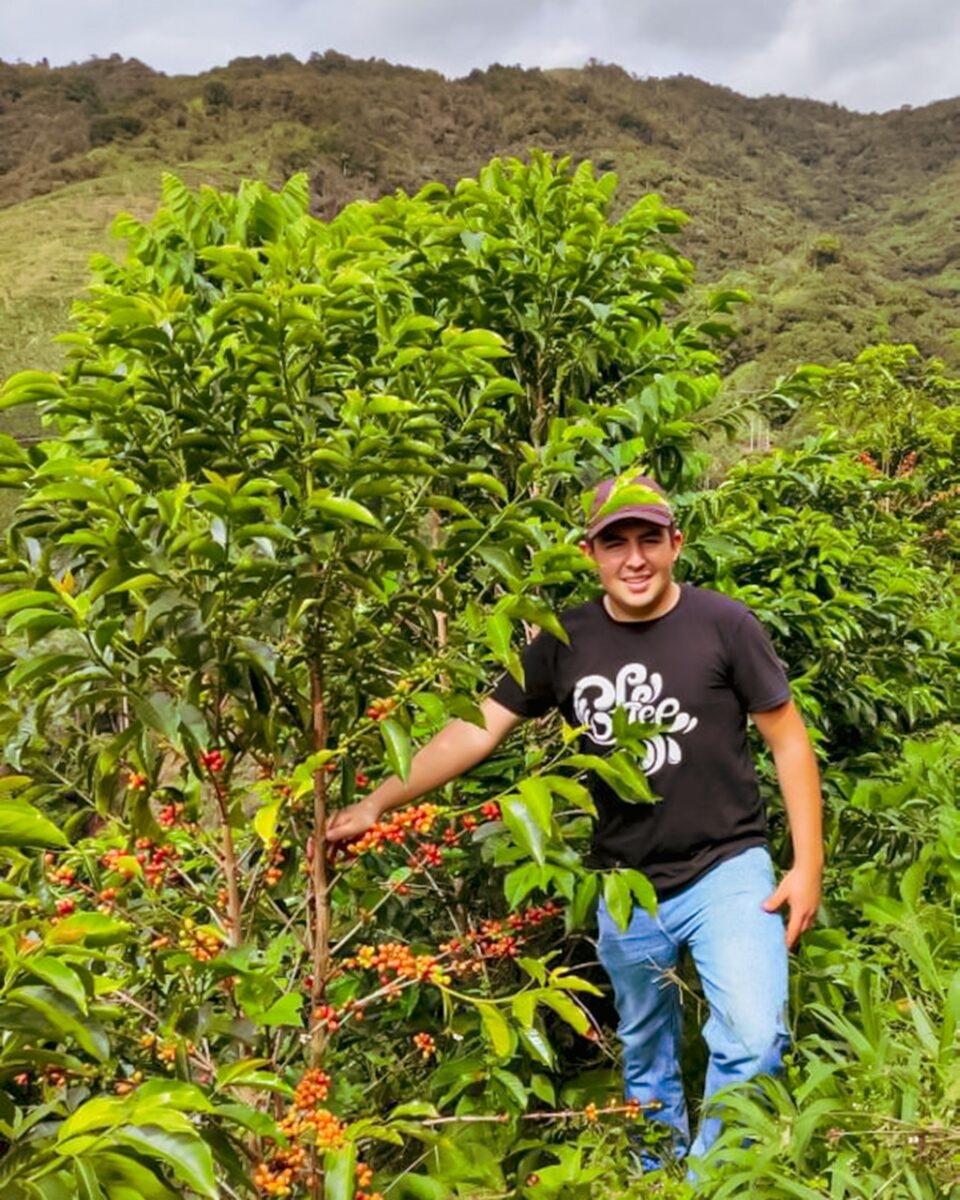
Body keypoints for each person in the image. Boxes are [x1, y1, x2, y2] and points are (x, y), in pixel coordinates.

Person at [326, 473, 823, 1167]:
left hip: (727, 868)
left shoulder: (725, 625)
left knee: (755, 1035)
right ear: (590, 553)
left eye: (649, 539)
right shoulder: (565, 638)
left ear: (676, 544)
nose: (634, 559)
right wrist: (378, 800)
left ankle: (710, 1180)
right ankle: (653, 1171)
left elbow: (788, 741)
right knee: (645, 1049)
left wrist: (807, 866)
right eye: (615, 543)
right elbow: (476, 729)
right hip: (623, 882)